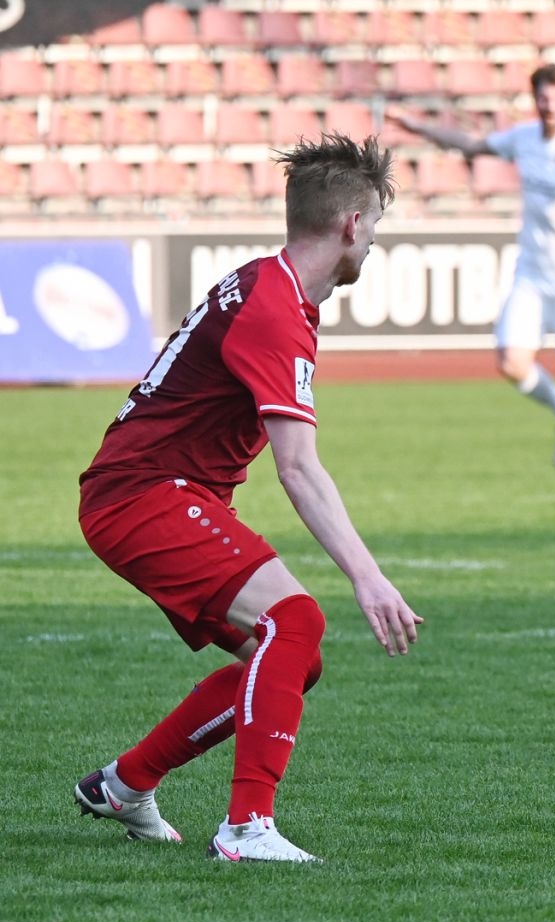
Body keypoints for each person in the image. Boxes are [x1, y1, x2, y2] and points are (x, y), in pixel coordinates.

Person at [74, 134, 423, 863]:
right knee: (295, 621)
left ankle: (126, 783)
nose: (375, 244)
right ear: (352, 225)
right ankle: (245, 828)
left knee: (294, 658)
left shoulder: (269, 287)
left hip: (149, 491)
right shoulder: (273, 308)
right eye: (377, 227)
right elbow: (298, 469)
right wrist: (369, 577)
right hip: (144, 495)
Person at [396, 64, 555, 480]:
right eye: (543, 96)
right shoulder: (522, 137)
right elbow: (471, 144)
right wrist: (419, 128)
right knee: (511, 361)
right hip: (532, 269)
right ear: (534, 98)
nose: (549, 104)